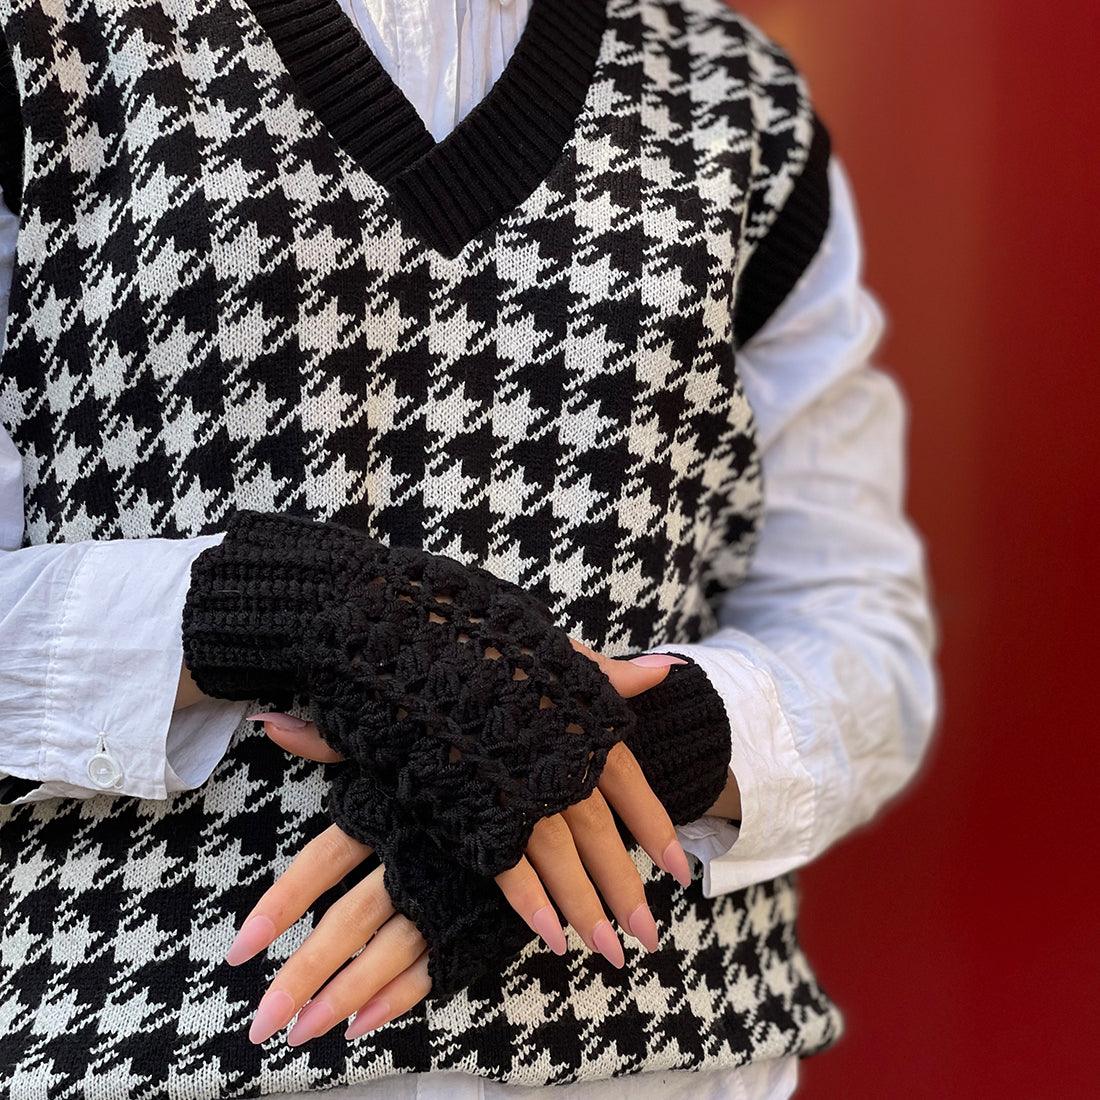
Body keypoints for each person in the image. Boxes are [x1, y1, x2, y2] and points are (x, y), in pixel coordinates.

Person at [0, 1, 938, 1097]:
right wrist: (286, 614)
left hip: (650, 1049)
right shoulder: (44, 40)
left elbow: (863, 630)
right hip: (157, 1032)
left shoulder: (734, 97)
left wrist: (622, 749)